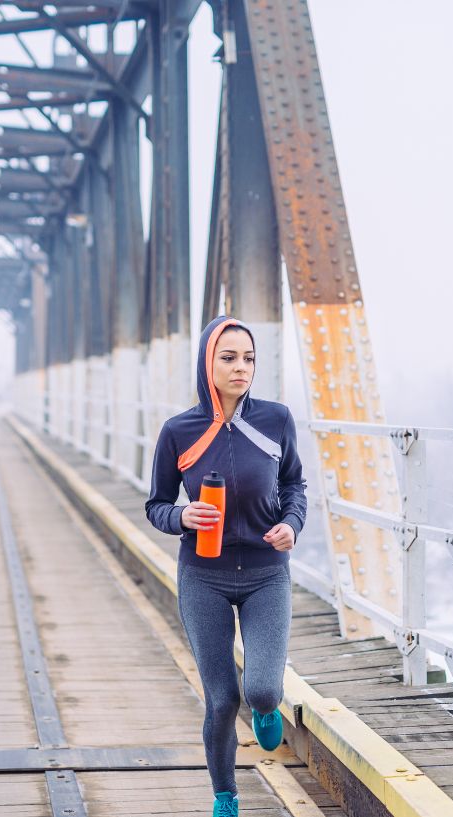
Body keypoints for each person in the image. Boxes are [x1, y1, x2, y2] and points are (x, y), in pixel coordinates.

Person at [145, 315, 307, 817]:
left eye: (250, 358)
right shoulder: (179, 431)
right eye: (229, 357)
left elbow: (295, 486)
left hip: (265, 573)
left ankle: (266, 708)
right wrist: (181, 515)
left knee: (260, 689)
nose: (242, 368)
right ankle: (225, 796)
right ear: (207, 363)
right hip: (204, 576)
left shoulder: (276, 420)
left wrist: (292, 525)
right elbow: (156, 504)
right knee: (221, 699)